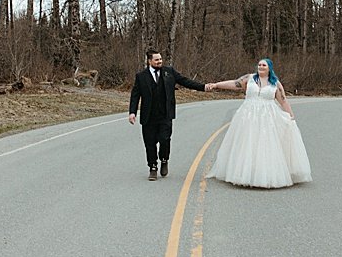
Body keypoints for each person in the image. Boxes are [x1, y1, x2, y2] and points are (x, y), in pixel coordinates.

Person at [205, 59, 311, 189]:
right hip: (248, 116)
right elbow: (234, 84)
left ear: (269, 68)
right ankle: (244, 173)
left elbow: (283, 101)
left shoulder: (275, 84)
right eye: (259, 64)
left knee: (265, 145)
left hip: (268, 118)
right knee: (247, 144)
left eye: (264, 65)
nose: (261, 66)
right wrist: (216, 85)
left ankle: (265, 175)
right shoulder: (249, 78)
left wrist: (291, 116)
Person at [128, 49, 209, 181]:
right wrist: (132, 112)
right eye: (156, 59)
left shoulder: (169, 72)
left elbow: (186, 81)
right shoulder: (141, 76)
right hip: (148, 116)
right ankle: (152, 167)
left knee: (165, 140)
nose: (160, 61)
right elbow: (135, 95)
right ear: (149, 61)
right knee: (150, 143)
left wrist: (203, 87)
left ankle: (164, 159)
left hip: (165, 115)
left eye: (160, 59)